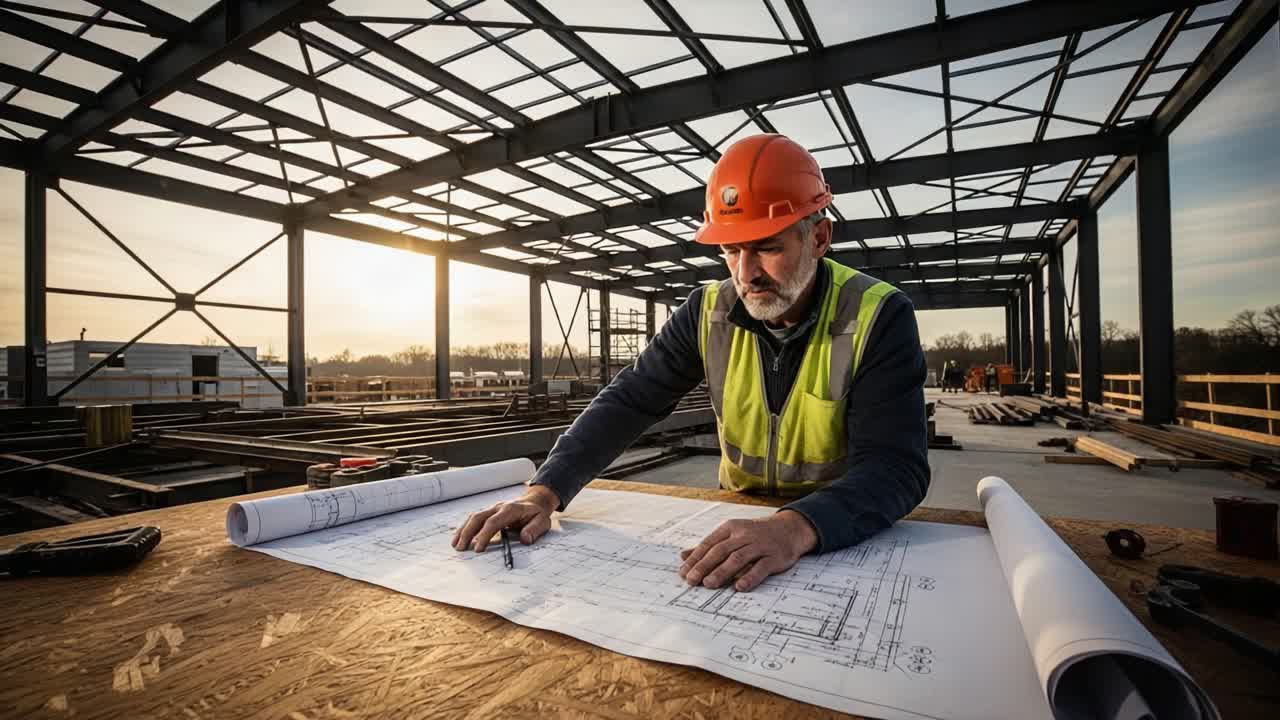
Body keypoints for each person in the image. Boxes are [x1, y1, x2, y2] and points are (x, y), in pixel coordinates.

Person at [452, 134, 930, 593]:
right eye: (731, 250)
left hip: (836, 535)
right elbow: (631, 400)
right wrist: (544, 491)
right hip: (737, 524)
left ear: (819, 237)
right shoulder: (707, 312)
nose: (747, 274)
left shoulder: (877, 315)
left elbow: (894, 467)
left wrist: (794, 528)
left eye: (767, 246)